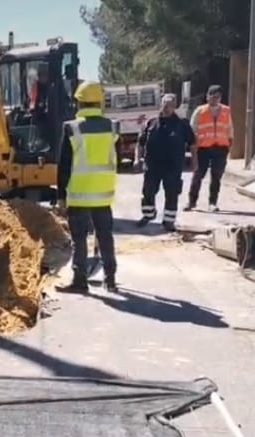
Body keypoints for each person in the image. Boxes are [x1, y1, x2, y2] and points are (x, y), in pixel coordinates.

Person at [55, 81, 120, 294]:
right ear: (100, 102)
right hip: (103, 194)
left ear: (79, 102)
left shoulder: (72, 128)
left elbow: (64, 165)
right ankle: (110, 279)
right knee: (105, 236)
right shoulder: (112, 126)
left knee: (79, 239)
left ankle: (80, 280)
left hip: (79, 194)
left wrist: (61, 195)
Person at [134, 93, 198, 232]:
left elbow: (192, 144)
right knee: (148, 191)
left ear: (175, 106)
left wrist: (194, 162)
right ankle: (148, 215)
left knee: (172, 193)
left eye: (170, 105)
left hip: (173, 167)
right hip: (152, 166)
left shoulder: (182, 124)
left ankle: (168, 221)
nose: (167, 107)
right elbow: (140, 143)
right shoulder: (151, 123)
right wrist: (137, 159)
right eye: (165, 104)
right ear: (161, 104)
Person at [184, 84, 233, 212]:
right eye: (211, 97)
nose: (214, 99)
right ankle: (192, 202)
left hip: (220, 148)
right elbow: (192, 129)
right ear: (207, 97)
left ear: (220, 98)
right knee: (198, 175)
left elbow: (229, 128)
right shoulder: (200, 111)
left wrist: (229, 144)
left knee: (216, 176)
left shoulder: (226, 111)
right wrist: (192, 146)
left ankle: (212, 203)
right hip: (203, 148)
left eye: (217, 97)